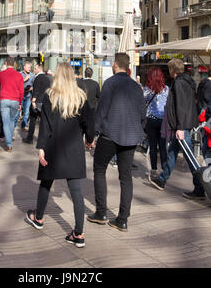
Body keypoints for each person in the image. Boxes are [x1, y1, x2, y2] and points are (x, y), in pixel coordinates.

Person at [25, 63, 95, 248]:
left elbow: (45, 125)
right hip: (74, 148)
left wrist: (41, 147)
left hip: (53, 146)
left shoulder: (50, 96)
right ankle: (79, 233)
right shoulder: (80, 97)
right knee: (76, 191)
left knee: (46, 183)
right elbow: (90, 122)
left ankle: (38, 218)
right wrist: (89, 139)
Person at [87, 53, 146, 232]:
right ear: (128, 67)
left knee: (99, 169)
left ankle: (101, 212)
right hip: (129, 136)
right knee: (125, 177)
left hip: (110, 134)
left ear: (115, 65)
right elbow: (142, 114)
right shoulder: (136, 87)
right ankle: (122, 219)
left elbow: (101, 110)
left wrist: (92, 135)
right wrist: (139, 130)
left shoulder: (110, 83)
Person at [148, 58, 205, 201]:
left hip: (181, 127)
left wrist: (179, 127)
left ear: (172, 70)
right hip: (184, 124)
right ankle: (162, 179)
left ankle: (200, 188)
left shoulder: (179, 83)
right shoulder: (188, 82)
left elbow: (180, 106)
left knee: (190, 157)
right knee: (172, 152)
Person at [0, 57, 24, 152]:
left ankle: (9, 144)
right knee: (11, 121)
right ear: (14, 64)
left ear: (5, 63)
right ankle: (9, 139)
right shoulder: (19, 75)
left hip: (4, 99)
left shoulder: (1, 74)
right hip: (15, 100)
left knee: (5, 122)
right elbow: (21, 91)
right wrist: (20, 103)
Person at [143, 67, 169, 178]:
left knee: (153, 146)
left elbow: (142, 102)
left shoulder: (147, 89)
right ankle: (164, 169)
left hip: (151, 120)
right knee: (163, 147)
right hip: (163, 121)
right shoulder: (167, 89)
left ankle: (153, 169)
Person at [22, 63, 52, 144]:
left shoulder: (38, 77)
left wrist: (33, 101)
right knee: (44, 121)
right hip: (45, 101)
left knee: (32, 120)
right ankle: (46, 139)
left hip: (37, 102)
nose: (34, 70)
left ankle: (30, 138)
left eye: (35, 69)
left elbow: (36, 90)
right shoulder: (47, 78)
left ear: (39, 69)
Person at [14, 61, 35, 131]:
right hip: (20, 96)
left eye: (30, 67)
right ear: (24, 67)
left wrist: (32, 88)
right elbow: (16, 84)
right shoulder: (19, 74)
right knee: (17, 112)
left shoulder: (32, 75)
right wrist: (25, 79)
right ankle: (13, 126)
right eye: (28, 67)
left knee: (26, 112)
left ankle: (24, 126)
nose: (29, 69)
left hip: (28, 95)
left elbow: (34, 85)